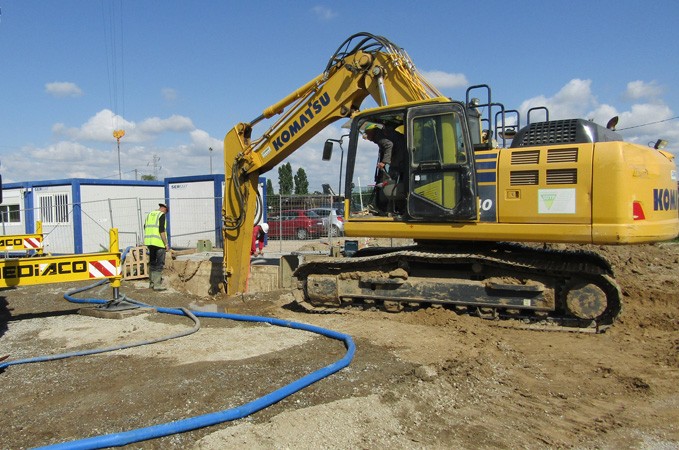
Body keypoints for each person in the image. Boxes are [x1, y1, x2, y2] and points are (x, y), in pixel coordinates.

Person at [364, 123, 406, 213]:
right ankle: (396, 207)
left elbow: (389, 145)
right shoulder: (383, 134)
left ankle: (393, 207)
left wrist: (384, 162)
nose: (367, 136)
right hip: (402, 154)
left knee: (390, 179)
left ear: (372, 132)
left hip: (401, 155)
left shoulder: (380, 137)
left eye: (367, 133)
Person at [144, 203, 170, 290]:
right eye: (166, 212)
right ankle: (157, 285)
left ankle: (151, 283)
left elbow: (145, 227)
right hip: (159, 243)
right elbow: (161, 230)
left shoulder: (150, 214)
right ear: (165, 209)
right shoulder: (161, 215)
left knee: (152, 262)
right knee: (159, 264)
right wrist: (166, 244)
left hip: (150, 243)